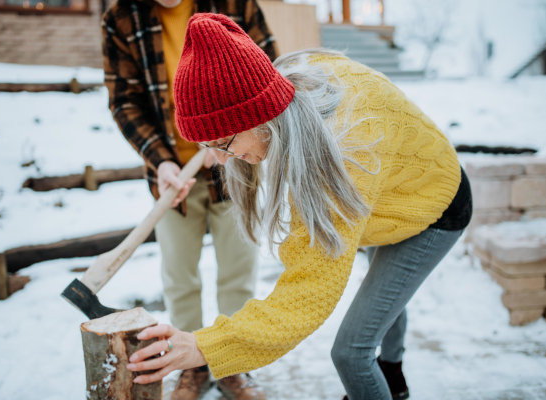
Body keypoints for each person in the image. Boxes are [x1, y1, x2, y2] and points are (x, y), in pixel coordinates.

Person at [125, 13, 473, 400]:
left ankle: (381, 382)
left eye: (223, 144)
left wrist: (207, 346)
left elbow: (307, 292)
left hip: (434, 204)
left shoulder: (343, 155)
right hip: (384, 193)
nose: (222, 161)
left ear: (257, 118)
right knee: (383, 300)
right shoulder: (285, 83)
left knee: (351, 353)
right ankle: (393, 381)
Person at [102, 2, 278, 399]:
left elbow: (270, 67)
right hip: (170, 175)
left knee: (237, 272)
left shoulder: (235, 3)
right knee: (180, 278)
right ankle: (193, 364)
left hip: (239, 163)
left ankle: (233, 362)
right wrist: (161, 160)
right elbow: (124, 102)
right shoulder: (120, 18)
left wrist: (229, 137)